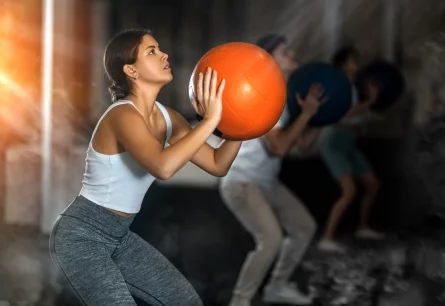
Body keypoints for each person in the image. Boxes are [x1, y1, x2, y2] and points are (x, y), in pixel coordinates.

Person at [49, 29, 243, 306]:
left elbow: (217, 163)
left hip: (119, 236)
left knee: (186, 302)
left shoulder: (169, 118)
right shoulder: (123, 115)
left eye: (160, 48)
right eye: (151, 51)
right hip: (81, 237)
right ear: (131, 70)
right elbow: (162, 167)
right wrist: (210, 121)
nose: (164, 54)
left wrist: (242, 125)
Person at [219, 34, 322, 306]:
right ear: (268, 61)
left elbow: (304, 146)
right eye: (285, 52)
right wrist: (307, 115)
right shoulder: (263, 95)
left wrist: (319, 117)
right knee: (271, 239)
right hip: (242, 182)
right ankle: (239, 302)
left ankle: (276, 286)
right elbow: (278, 149)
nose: (292, 56)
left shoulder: (283, 98)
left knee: (303, 227)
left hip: (266, 182)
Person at [317, 45, 385, 253]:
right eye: (354, 60)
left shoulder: (351, 86)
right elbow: (344, 112)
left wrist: (363, 122)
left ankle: (362, 228)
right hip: (334, 144)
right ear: (344, 64)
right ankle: (326, 239)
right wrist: (371, 101)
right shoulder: (339, 85)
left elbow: (349, 118)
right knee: (349, 192)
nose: (357, 65)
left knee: (372, 184)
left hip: (348, 143)